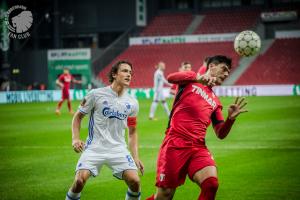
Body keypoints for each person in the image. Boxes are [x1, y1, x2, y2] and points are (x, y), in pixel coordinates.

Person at [146, 55, 248, 200]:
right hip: (175, 143)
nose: (226, 74)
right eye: (224, 69)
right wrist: (197, 78)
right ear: (212, 66)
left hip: (198, 148)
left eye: (228, 72)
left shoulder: (215, 101)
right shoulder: (189, 81)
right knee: (165, 195)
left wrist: (230, 119)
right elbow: (170, 78)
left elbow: (220, 133)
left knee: (211, 184)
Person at [65, 60, 144, 200]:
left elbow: (132, 132)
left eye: (130, 72)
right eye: (125, 71)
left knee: (135, 182)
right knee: (78, 181)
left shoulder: (132, 103)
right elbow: (77, 117)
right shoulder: (95, 94)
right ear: (114, 74)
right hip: (94, 148)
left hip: (118, 149)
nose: (129, 75)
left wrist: (136, 156)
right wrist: (75, 138)